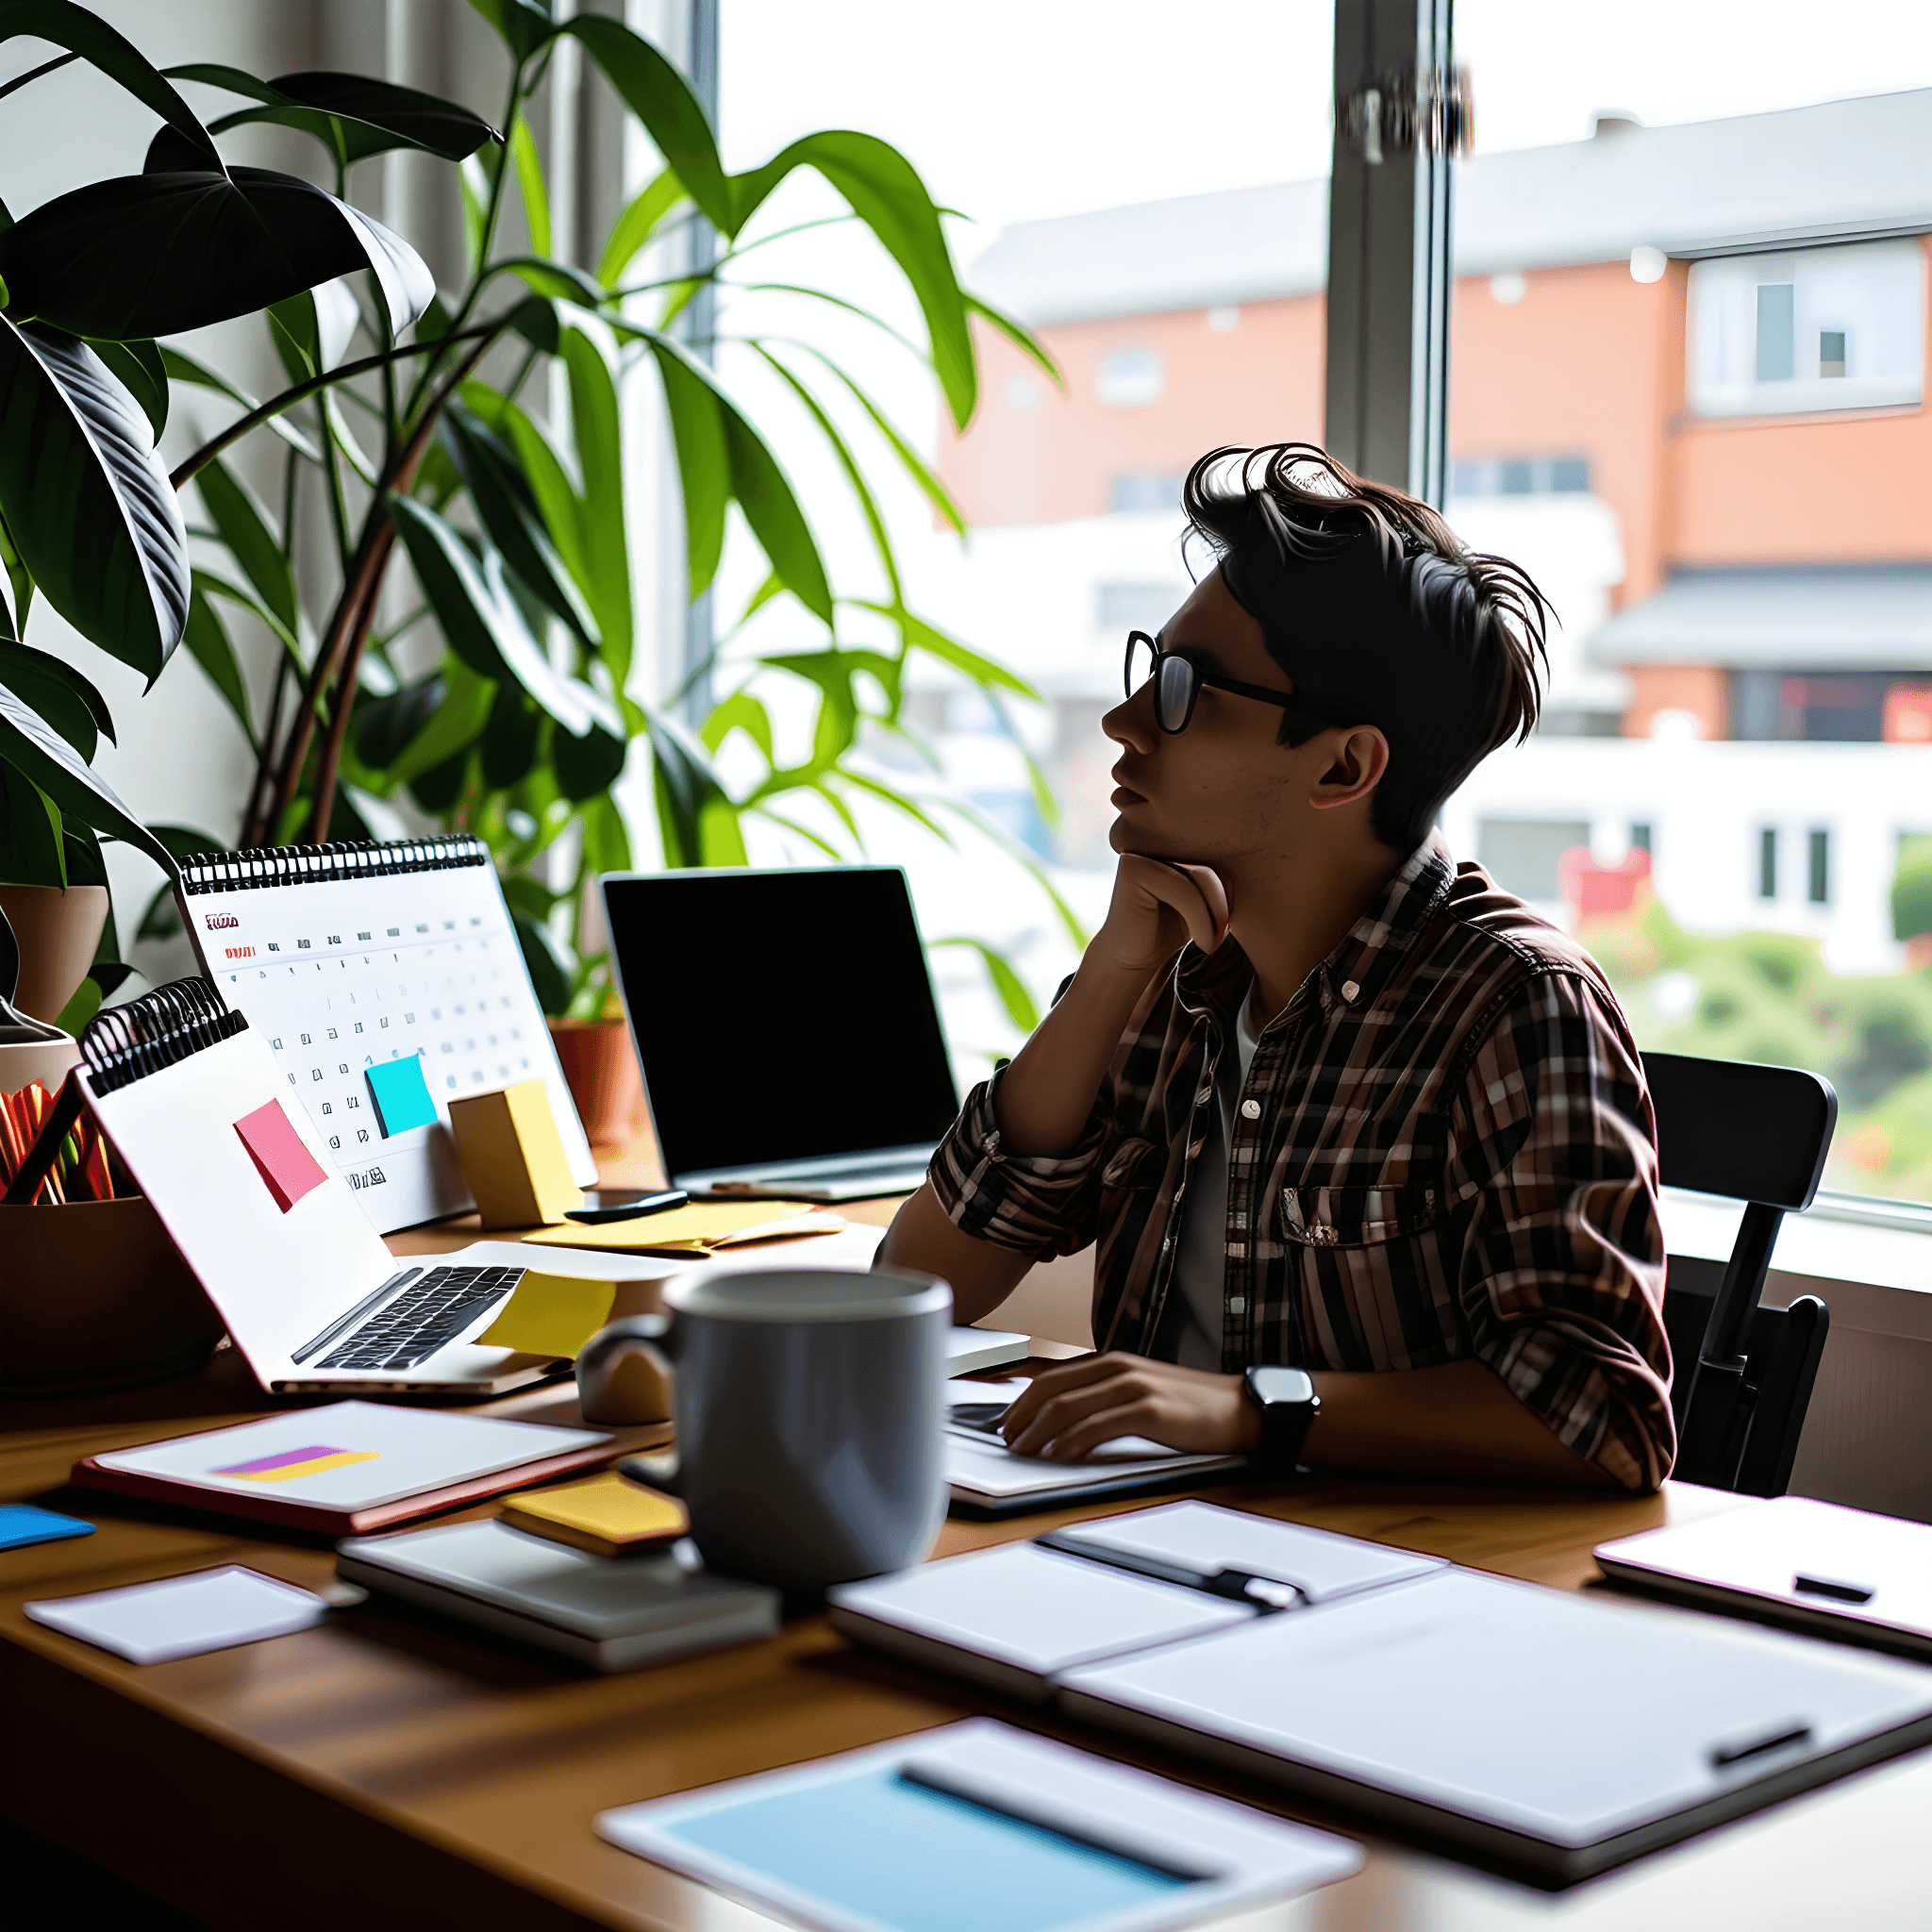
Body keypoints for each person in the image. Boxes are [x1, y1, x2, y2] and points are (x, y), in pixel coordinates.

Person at [880, 442, 1674, 1492]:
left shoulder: (1518, 1004)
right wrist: (1110, 975)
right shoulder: (1165, 971)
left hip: (1377, 1568)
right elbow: (920, 1284)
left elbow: (1604, 1417)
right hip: (1136, 1536)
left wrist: (1239, 1409)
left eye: (1185, 691)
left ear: (1342, 766)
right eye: (1147, 671)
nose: (1122, 724)